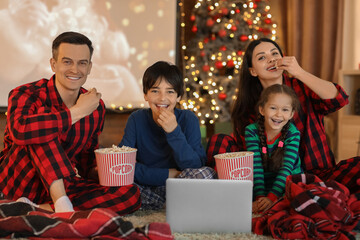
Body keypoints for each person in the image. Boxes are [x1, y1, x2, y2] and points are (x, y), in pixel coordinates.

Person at [0, 31, 141, 215]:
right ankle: (61, 206)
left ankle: (37, 209)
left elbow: (85, 161)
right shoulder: (25, 94)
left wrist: (104, 170)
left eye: (82, 63)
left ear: (89, 67)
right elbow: (20, 130)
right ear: (53, 64)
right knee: (42, 125)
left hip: (64, 183)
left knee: (131, 194)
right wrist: (77, 112)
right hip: (18, 181)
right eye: (67, 62)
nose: (75, 69)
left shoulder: (96, 108)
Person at [207, 38, 360, 193]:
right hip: (274, 182)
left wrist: (299, 72)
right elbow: (251, 159)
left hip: (318, 176)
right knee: (219, 141)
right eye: (262, 57)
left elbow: (339, 99)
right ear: (253, 71)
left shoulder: (302, 86)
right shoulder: (248, 107)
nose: (271, 59)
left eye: (274, 54)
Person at [119, 61, 216, 210]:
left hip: (180, 186)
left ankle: (164, 204)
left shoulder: (188, 118)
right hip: (145, 187)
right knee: (116, 182)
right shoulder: (136, 119)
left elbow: (196, 165)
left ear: (178, 97)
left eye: (170, 92)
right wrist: (169, 174)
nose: (162, 98)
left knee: (206, 174)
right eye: (155, 91)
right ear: (145, 95)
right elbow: (123, 165)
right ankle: (167, 205)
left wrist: (173, 131)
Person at [245, 84, 302, 213]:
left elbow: (286, 169)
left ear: (292, 113)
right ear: (262, 110)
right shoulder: (251, 131)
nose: (278, 114)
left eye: (285, 110)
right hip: (262, 183)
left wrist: (271, 197)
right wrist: (260, 198)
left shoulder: (293, 134)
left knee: (297, 202)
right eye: (273, 108)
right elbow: (256, 167)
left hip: (287, 182)